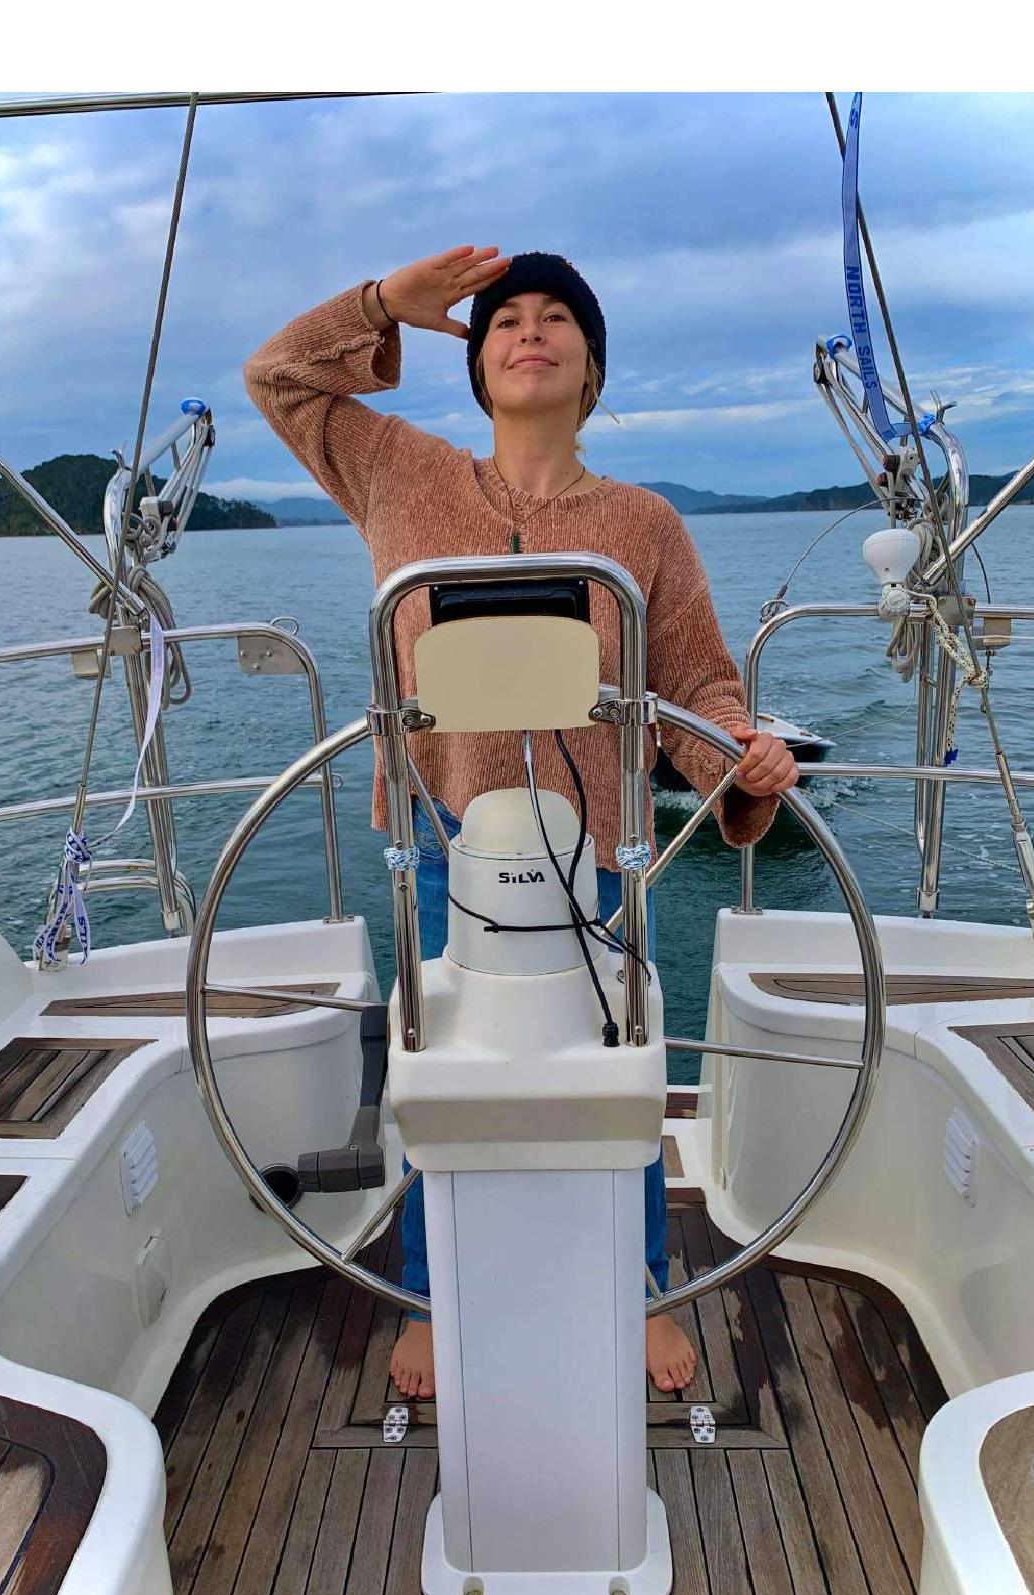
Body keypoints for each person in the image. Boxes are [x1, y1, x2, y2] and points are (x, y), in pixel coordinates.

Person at [244, 245, 798, 1401]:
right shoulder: (398, 470)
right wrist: (383, 306)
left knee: (621, 1070)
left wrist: (736, 759)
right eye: (503, 322)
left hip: (596, 853)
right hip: (440, 839)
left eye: (556, 319)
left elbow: (691, 680)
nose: (527, 331)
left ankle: (640, 1283)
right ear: (477, 363)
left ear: (591, 368)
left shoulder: (642, 524)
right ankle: (433, 1296)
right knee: (431, 1065)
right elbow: (280, 380)